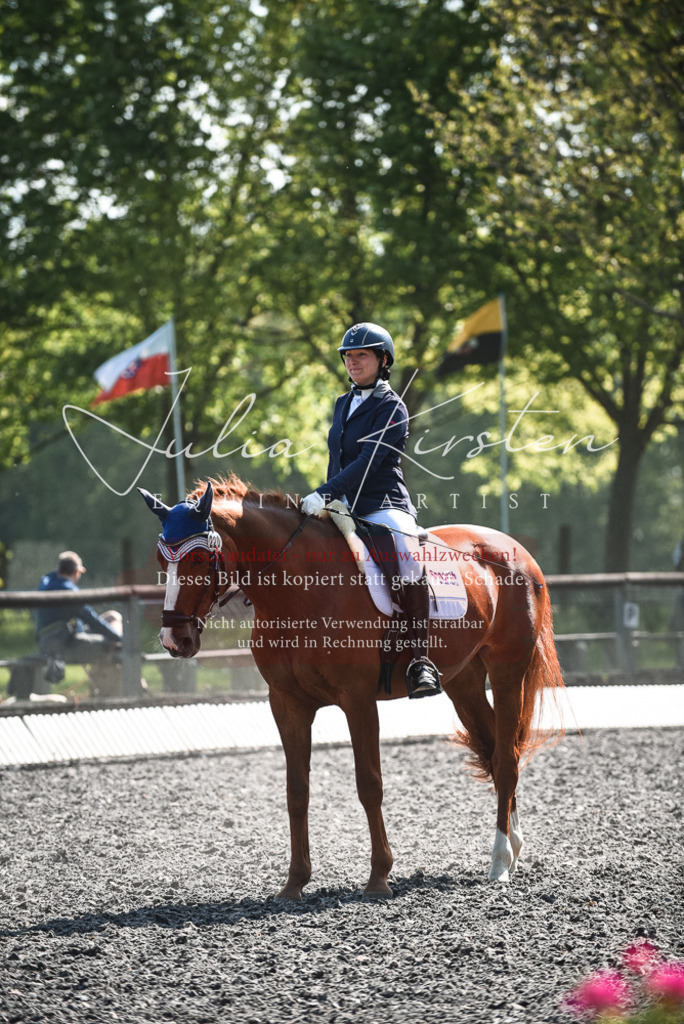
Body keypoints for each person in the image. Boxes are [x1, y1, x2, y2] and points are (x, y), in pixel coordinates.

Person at [300, 322, 441, 698]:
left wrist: (325, 492)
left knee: (406, 556)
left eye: (361, 355)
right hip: (342, 504)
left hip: (384, 504)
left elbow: (368, 461)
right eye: (348, 356)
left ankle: (420, 661)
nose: (352, 362)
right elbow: (337, 459)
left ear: (383, 360)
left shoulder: (392, 407)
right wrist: (328, 498)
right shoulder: (342, 403)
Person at [35, 551, 122, 665]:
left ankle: (116, 648)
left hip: (45, 642)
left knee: (112, 616)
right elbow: (91, 619)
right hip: (64, 644)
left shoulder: (47, 583)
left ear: (59, 569)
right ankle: (118, 653)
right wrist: (119, 638)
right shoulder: (69, 591)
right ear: (77, 572)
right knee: (109, 643)